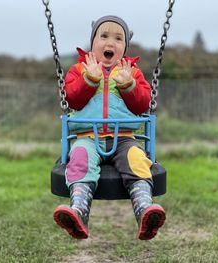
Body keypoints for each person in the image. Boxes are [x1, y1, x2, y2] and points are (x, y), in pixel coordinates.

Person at [53, 15, 166, 240]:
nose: (110, 42)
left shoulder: (131, 72)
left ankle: (145, 210)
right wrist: (89, 79)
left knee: (136, 158)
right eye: (103, 36)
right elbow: (72, 99)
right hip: (87, 136)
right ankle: (78, 212)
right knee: (80, 158)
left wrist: (129, 85)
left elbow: (143, 103)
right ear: (92, 44)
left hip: (124, 137)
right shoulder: (79, 69)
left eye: (118, 38)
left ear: (124, 48)